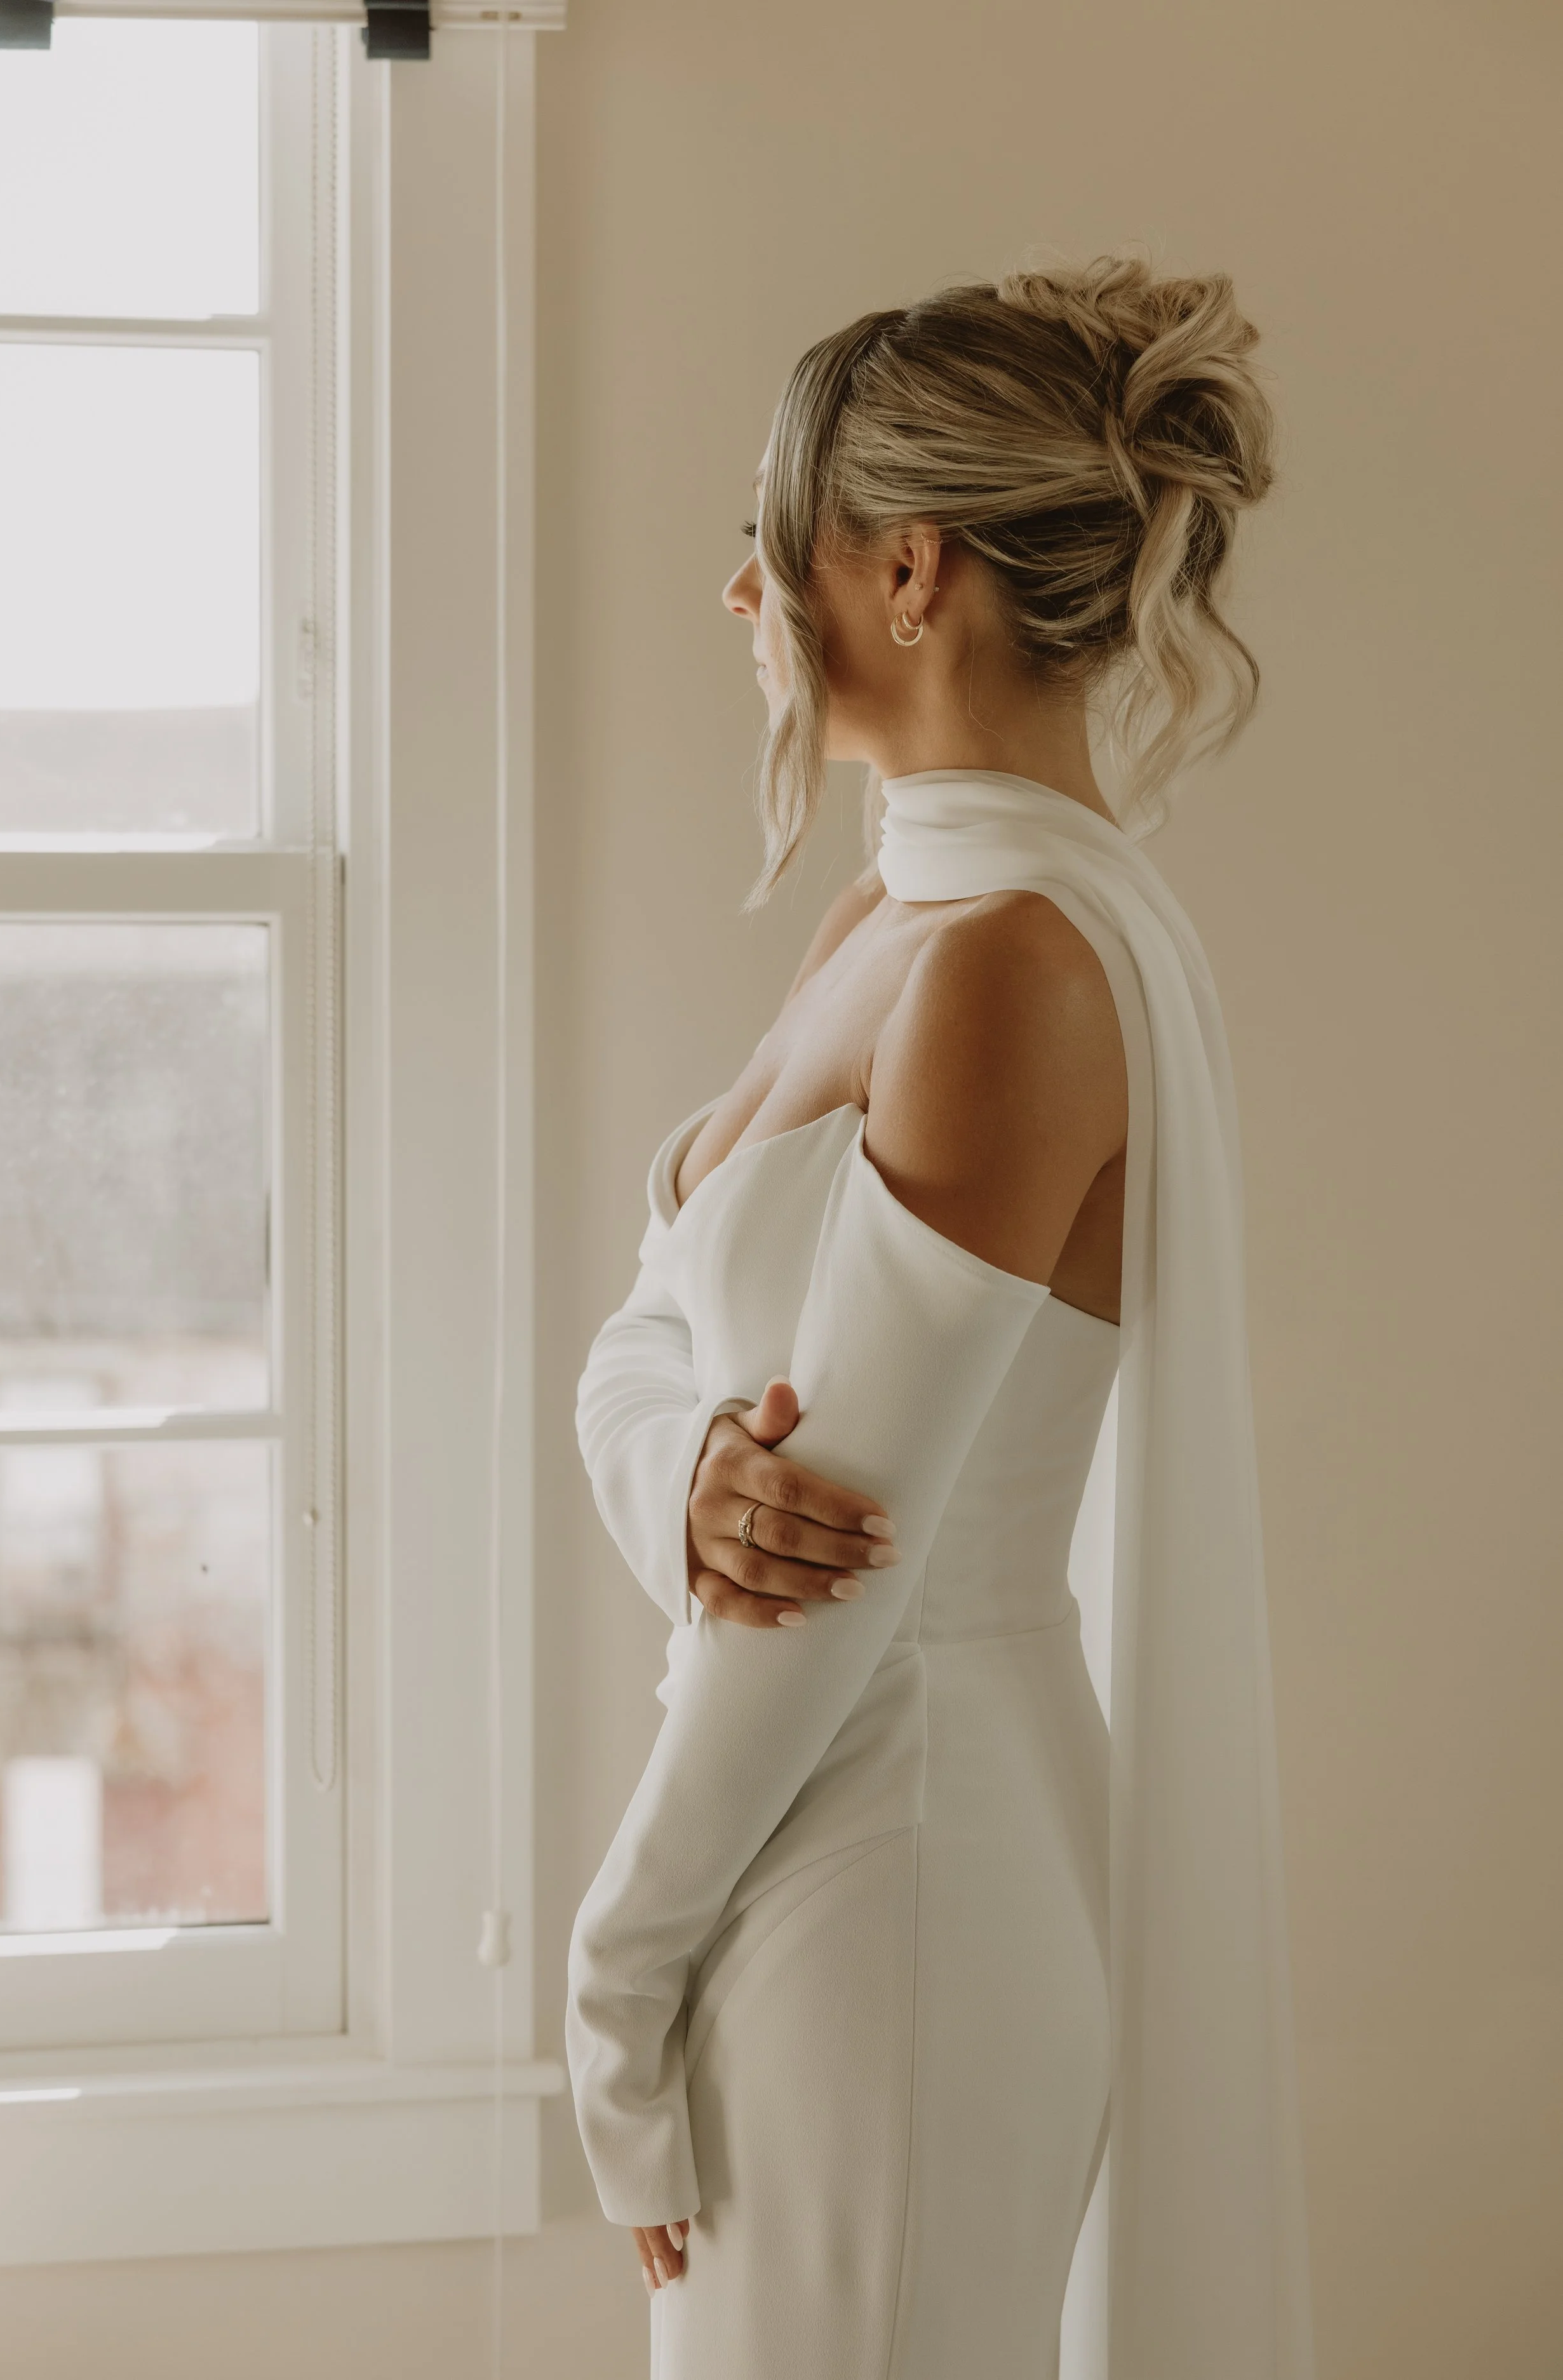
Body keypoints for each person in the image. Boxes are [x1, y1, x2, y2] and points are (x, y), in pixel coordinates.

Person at [567, 255, 1315, 2380]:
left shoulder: (1010, 968)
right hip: (787, 1855)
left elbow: (836, 1570)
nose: (736, 597)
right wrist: (684, 1471)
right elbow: (644, 1351)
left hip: (886, 1893)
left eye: (760, 538)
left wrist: (609, 1986)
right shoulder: (884, 909)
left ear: (905, 571)